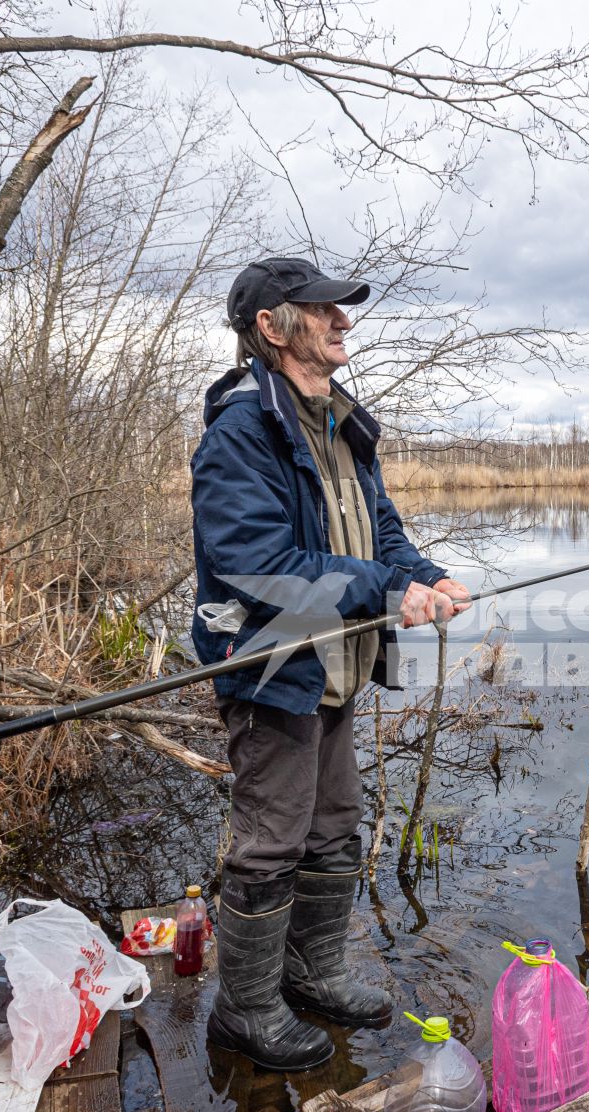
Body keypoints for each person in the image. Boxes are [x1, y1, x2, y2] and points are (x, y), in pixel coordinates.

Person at [190, 257, 470, 1070]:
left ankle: (313, 972)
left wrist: (420, 573)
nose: (343, 320)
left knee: (335, 825)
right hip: (274, 669)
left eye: (342, 309)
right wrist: (383, 585)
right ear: (272, 327)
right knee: (271, 843)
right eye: (323, 309)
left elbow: (381, 532)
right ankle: (246, 1009)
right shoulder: (243, 430)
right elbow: (257, 563)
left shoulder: (343, 421)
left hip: (335, 667)